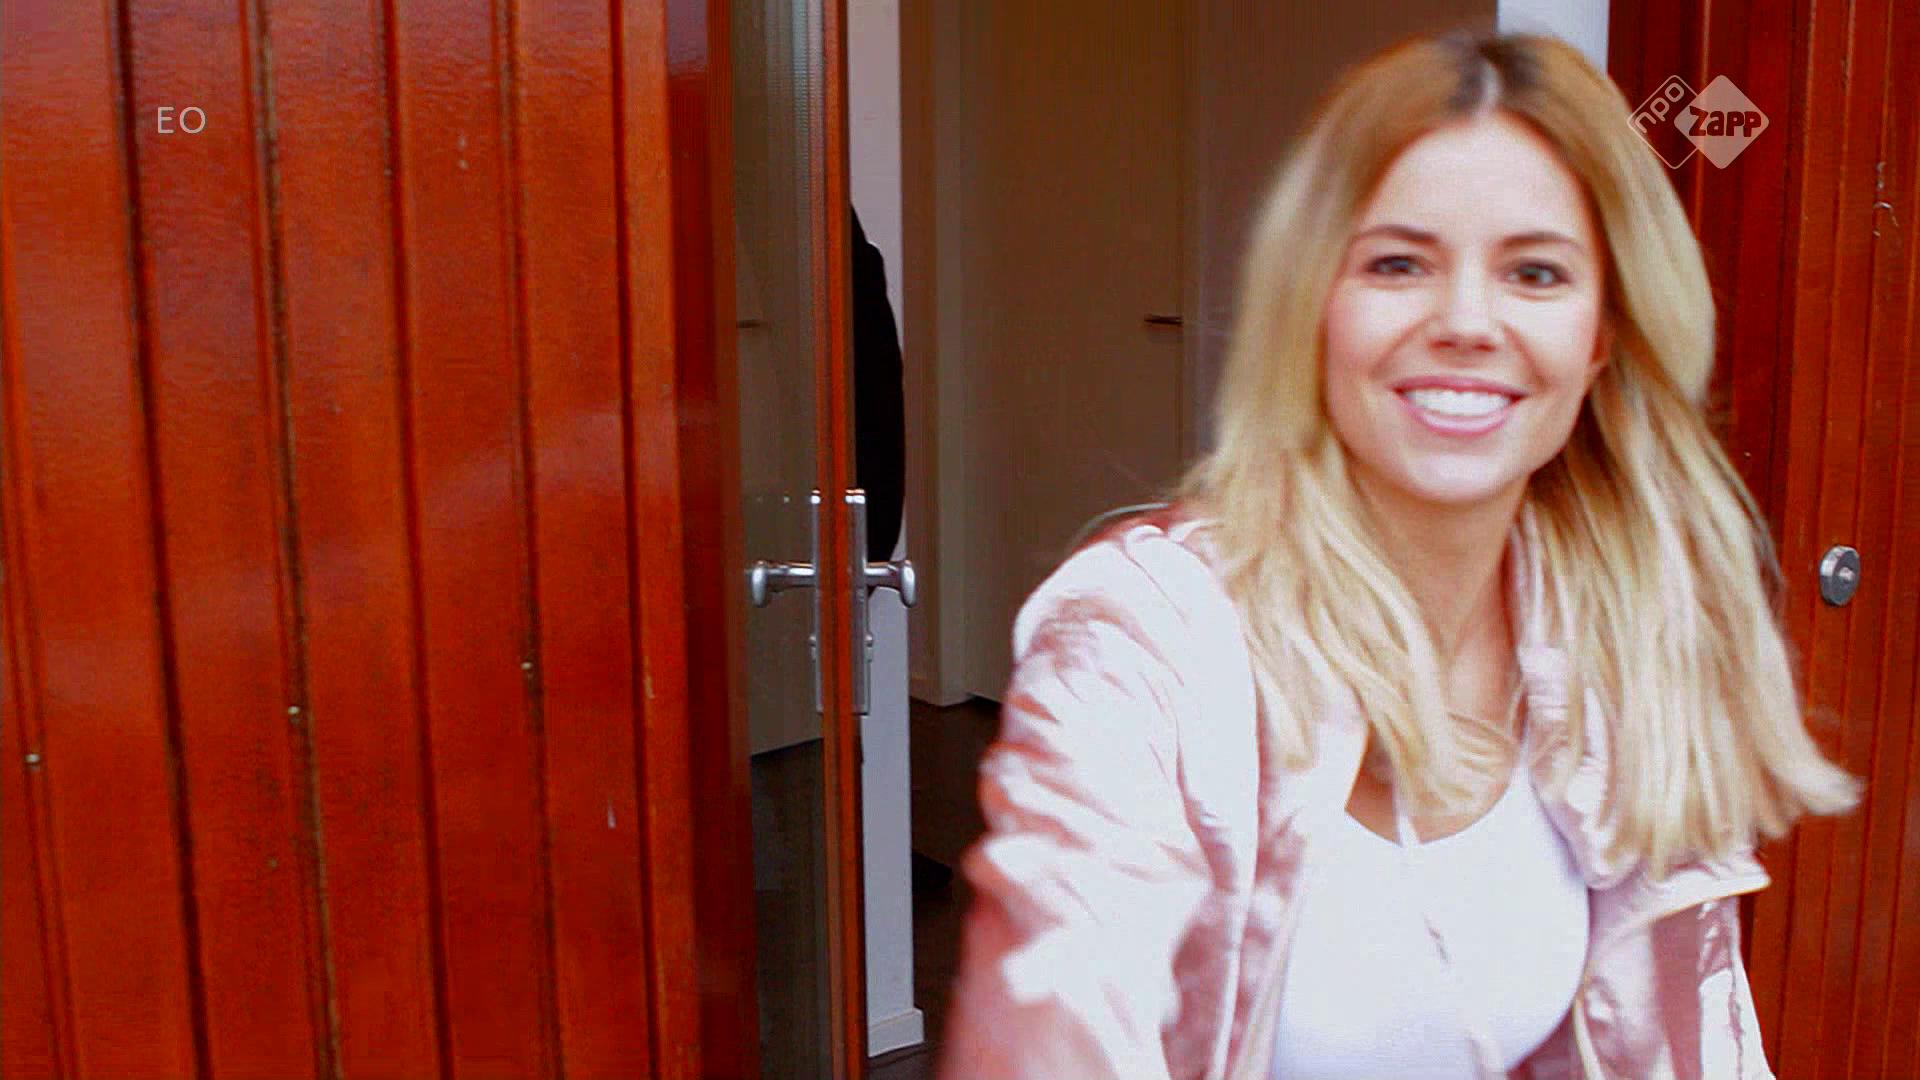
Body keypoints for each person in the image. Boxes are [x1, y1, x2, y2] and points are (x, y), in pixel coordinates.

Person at [936, 28, 1859, 1080]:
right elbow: (1054, 1022)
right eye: (1398, 263)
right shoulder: (1146, 640)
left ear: (1602, 334)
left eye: (1536, 272)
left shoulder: (1629, 633)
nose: (1466, 321)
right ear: (1313, 306)